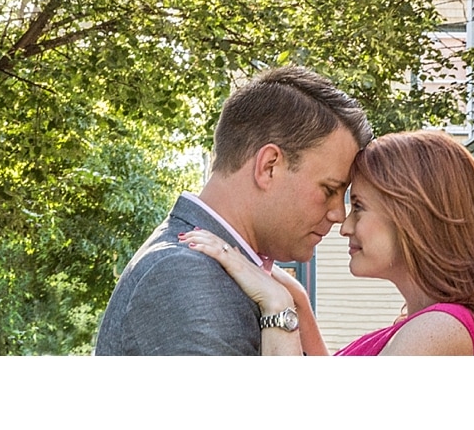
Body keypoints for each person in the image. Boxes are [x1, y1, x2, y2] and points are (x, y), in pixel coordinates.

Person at [93, 66, 373, 355]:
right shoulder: (186, 274)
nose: (339, 214)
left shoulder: (225, 270)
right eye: (329, 190)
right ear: (269, 167)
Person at [182, 130, 474, 355]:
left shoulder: (442, 331)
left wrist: (278, 309)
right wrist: (299, 303)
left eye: (359, 207)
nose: (344, 225)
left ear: (412, 216)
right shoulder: (433, 323)